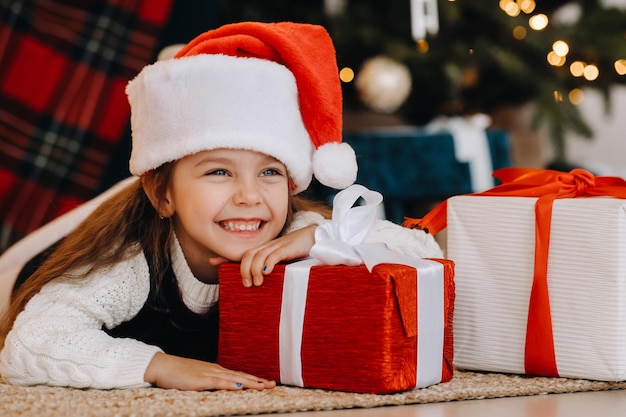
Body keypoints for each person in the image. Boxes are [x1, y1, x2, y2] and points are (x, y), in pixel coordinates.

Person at [0, 21, 443, 391]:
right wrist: (160, 366)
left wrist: (325, 237)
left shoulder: (299, 227)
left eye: (269, 172)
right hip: (32, 275)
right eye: (219, 172)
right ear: (163, 193)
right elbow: (31, 343)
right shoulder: (130, 264)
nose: (250, 196)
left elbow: (427, 254)